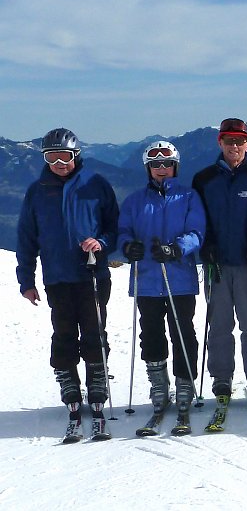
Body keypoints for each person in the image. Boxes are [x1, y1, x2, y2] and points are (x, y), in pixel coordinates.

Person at [16, 127, 119, 439]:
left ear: (77, 155)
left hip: (92, 275)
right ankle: (71, 393)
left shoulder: (96, 185)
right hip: (58, 277)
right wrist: (26, 280)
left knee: (94, 334)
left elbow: (115, 227)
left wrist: (100, 242)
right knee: (63, 335)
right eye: (52, 157)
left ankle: (97, 390)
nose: (59, 163)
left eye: (65, 156)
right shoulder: (37, 191)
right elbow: (26, 238)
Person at [118, 141, 206, 425]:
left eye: (166, 163)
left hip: (179, 277)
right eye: (155, 164)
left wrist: (176, 249)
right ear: (148, 169)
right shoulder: (134, 201)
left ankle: (184, 383)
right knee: (151, 333)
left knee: (183, 334)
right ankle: (159, 385)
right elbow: (123, 231)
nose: (161, 169)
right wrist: (127, 246)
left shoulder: (188, 197)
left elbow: (197, 231)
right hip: (146, 280)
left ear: (175, 166)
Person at [191, 118, 247, 423]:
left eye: (240, 141)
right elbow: (196, 218)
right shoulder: (204, 178)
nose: (234, 146)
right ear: (220, 143)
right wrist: (206, 244)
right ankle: (221, 379)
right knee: (220, 325)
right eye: (229, 141)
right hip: (218, 265)